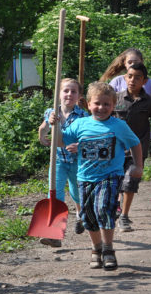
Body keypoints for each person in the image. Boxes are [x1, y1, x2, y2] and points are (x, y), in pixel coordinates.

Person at [55, 82, 142, 271]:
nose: (101, 108)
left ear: (113, 105)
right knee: (88, 216)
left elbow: (135, 143)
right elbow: (61, 141)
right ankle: (96, 250)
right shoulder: (80, 124)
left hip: (110, 175)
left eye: (106, 104)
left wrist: (138, 166)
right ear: (87, 104)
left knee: (103, 209)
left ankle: (109, 250)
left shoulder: (119, 125)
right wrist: (54, 126)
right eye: (97, 103)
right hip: (85, 177)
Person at [37, 78, 89, 247]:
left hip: (77, 162)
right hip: (58, 161)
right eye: (66, 91)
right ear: (58, 94)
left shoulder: (83, 115)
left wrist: (79, 145)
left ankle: (81, 214)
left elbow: (89, 137)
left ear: (79, 96)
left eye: (74, 91)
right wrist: (43, 133)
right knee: (55, 194)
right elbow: (44, 126)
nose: (69, 94)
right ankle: (55, 235)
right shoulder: (52, 112)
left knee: (76, 191)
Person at [113, 63, 151, 232]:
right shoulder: (116, 98)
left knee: (130, 181)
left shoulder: (150, 102)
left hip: (138, 149)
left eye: (137, 77)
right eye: (129, 76)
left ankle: (124, 217)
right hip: (116, 149)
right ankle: (115, 209)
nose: (132, 80)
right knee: (116, 182)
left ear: (144, 81)